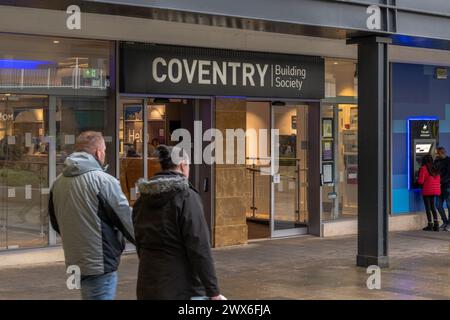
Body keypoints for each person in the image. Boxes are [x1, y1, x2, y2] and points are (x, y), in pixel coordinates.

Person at [49, 131, 135, 300]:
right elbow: (126, 221)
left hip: (76, 259)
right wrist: (148, 243)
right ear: (98, 152)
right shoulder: (103, 181)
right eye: (103, 150)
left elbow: (55, 222)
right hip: (100, 261)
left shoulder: (57, 183)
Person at [133, 145, 225, 300]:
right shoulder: (186, 197)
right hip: (183, 288)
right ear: (183, 165)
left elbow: (139, 242)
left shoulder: (142, 200)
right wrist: (213, 291)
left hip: (148, 284)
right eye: (188, 166)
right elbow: (199, 246)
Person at [417, 155, 441, 231]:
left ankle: (430, 225)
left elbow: (421, 181)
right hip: (435, 190)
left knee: (428, 208)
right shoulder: (435, 167)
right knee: (433, 207)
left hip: (427, 190)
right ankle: (436, 225)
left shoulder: (423, 168)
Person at [434, 146, 450, 231]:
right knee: (438, 205)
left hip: (447, 186)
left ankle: (449, 224)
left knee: (449, 205)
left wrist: (441, 182)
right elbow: (434, 171)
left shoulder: (448, 161)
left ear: (441, 153)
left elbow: (448, 175)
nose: (436, 154)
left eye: (437, 153)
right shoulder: (437, 161)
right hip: (439, 186)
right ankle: (445, 221)